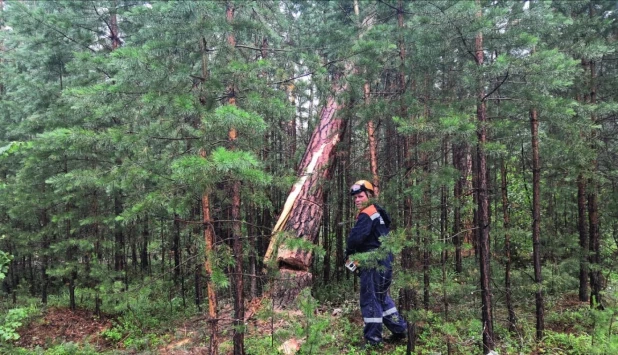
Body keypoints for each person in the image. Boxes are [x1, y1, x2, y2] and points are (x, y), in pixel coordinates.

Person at [345, 179, 407, 347]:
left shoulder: (367, 214)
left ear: (369, 196)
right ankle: (400, 329)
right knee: (382, 298)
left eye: (360, 196)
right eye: (355, 198)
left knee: (371, 299)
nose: (357, 200)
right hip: (385, 261)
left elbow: (355, 239)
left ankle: (373, 341)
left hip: (372, 262)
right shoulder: (378, 213)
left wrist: (349, 252)